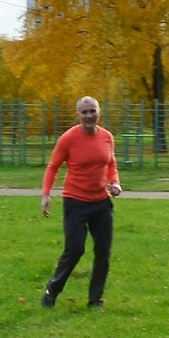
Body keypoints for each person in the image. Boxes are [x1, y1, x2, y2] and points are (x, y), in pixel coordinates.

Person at [39, 96, 121, 308]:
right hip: (76, 202)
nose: (89, 116)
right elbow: (53, 167)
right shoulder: (68, 139)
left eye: (92, 111)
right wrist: (46, 195)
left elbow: (111, 164)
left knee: (103, 251)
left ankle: (95, 300)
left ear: (99, 112)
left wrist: (115, 183)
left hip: (101, 203)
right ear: (78, 115)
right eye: (84, 112)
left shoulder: (107, 137)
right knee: (75, 250)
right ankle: (52, 289)